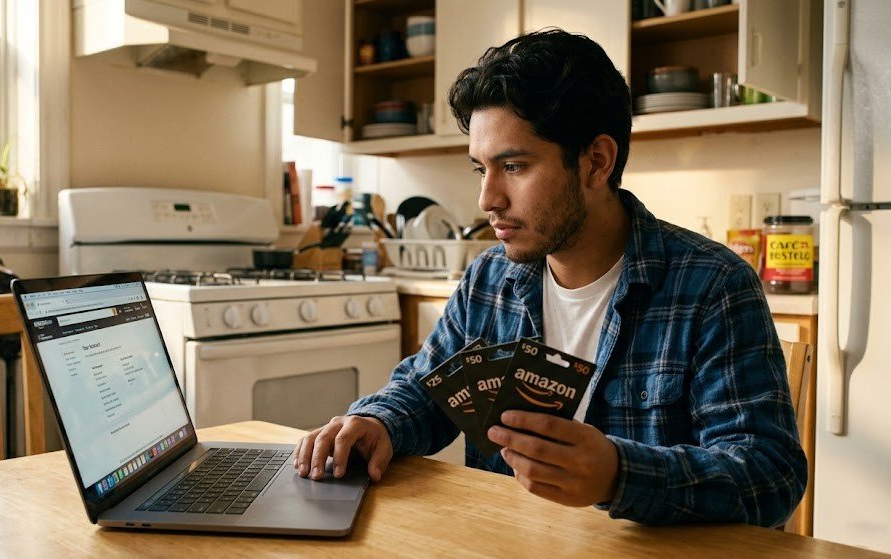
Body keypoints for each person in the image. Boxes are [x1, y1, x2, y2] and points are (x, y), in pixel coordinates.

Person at [294, 29, 807, 527]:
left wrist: (619, 476)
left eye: (513, 166)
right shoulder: (490, 278)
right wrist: (375, 421)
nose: (487, 200)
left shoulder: (713, 286)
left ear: (596, 161)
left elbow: (769, 476)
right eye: (481, 169)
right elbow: (426, 392)